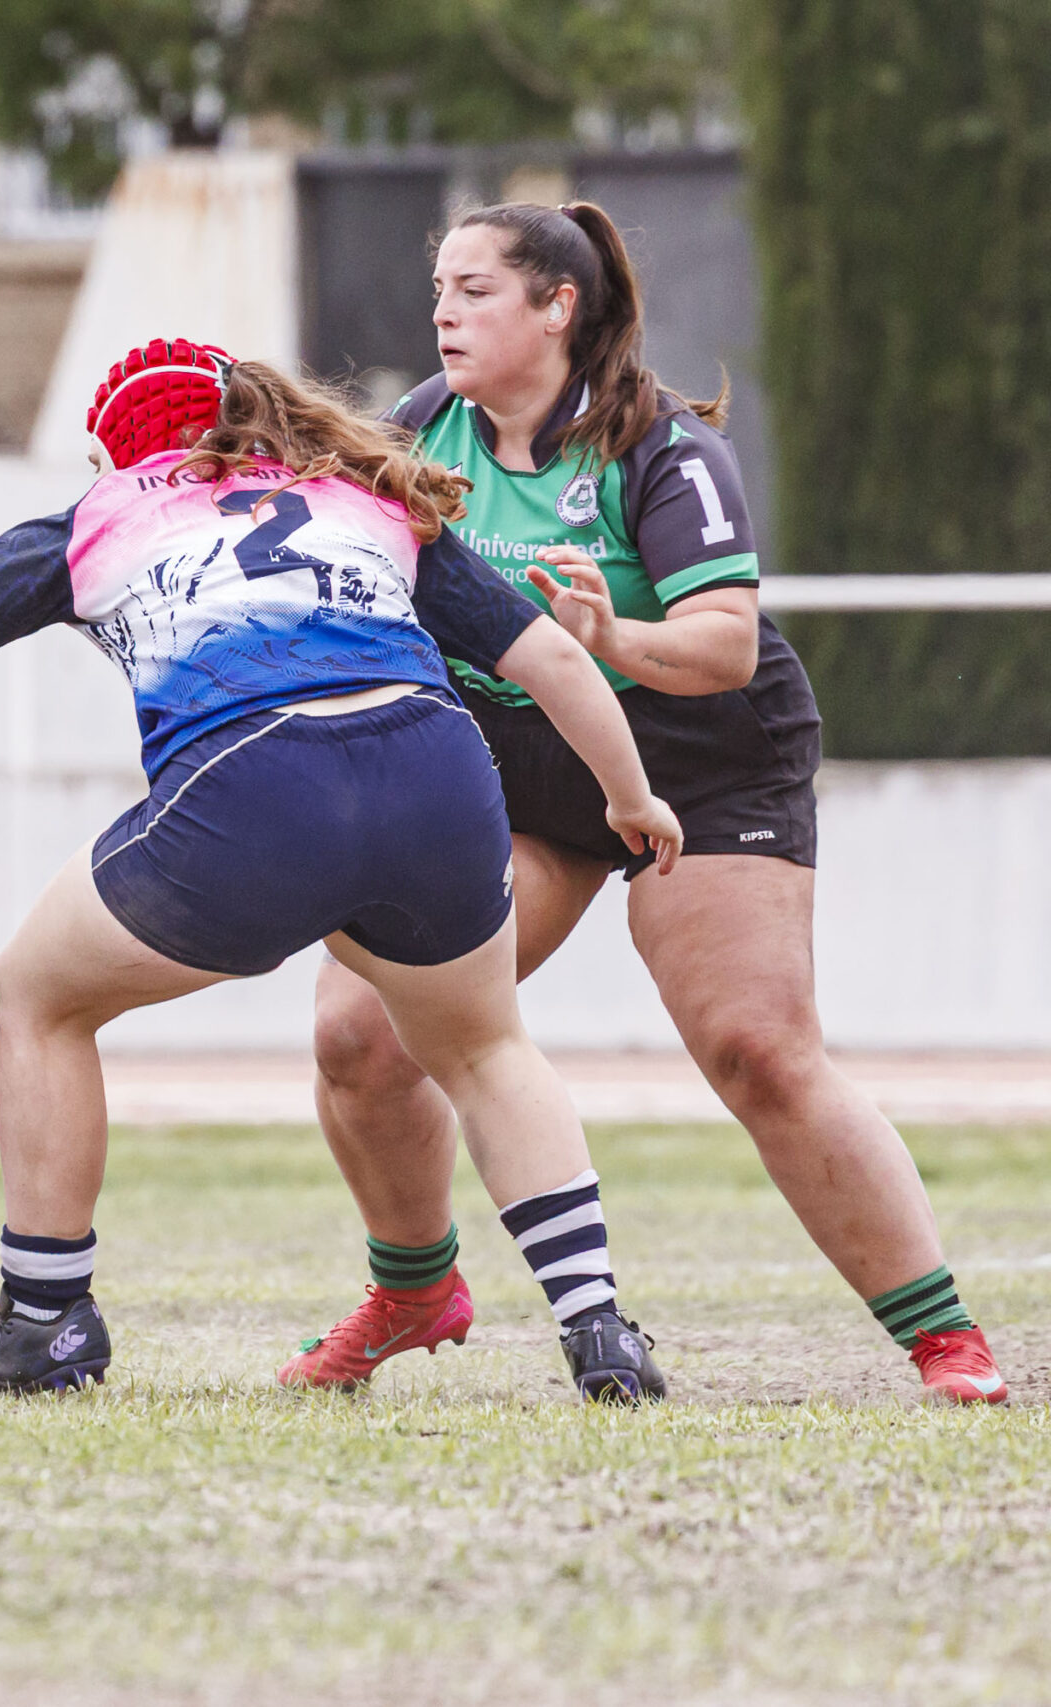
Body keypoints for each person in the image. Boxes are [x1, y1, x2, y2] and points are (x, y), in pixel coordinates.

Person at [0, 340, 687, 1401]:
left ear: (118, 448)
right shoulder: (365, 499)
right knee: (485, 1047)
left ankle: (46, 1316)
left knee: (39, 996)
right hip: (436, 768)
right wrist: (630, 797)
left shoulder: (106, 516)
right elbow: (546, 654)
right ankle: (596, 1323)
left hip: (259, 780)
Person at [294, 202, 1007, 1405]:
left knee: (756, 1049)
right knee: (361, 1033)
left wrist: (606, 632)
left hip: (697, 749)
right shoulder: (421, 432)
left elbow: (724, 647)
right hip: (525, 753)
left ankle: (942, 1338)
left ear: (555, 307)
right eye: (439, 289)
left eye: (474, 291)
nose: (442, 312)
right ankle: (414, 1288)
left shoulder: (658, 448)